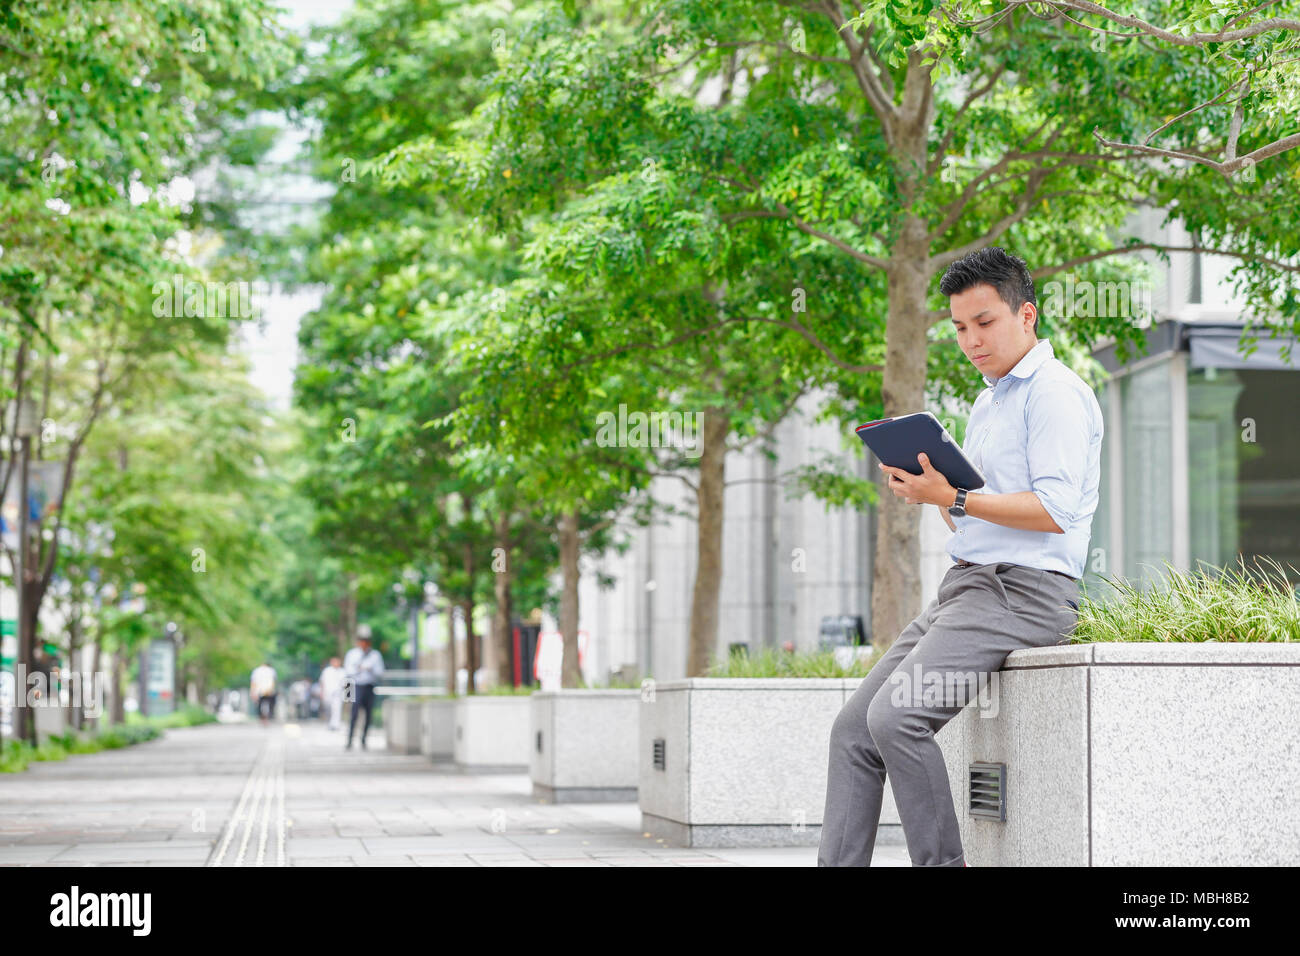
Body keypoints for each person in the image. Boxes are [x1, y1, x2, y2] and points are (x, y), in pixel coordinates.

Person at [818, 247, 1103, 867]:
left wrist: (957, 495)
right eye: (959, 329)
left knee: (897, 720)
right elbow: (970, 510)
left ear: (1026, 315)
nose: (971, 341)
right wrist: (931, 492)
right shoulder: (989, 401)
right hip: (969, 587)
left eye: (985, 323)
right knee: (853, 731)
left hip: (1025, 594)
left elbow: (1055, 510)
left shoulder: (1055, 394)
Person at [343, 626, 384, 750]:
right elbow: (348, 672)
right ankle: (349, 740)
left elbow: (380, 672)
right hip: (354, 685)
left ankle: (364, 740)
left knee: (368, 714)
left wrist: (370, 668)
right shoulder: (352, 654)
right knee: (353, 714)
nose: (363, 643)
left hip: (369, 686)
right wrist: (358, 668)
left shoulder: (375, 655)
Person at [318, 656, 346, 731]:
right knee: (328, 709)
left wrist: (347, 696)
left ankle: (335, 724)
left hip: (338, 693)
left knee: (337, 709)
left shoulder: (343, 672)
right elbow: (322, 682)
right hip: (327, 693)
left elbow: (346, 684)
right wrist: (321, 692)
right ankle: (329, 723)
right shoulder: (327, 671)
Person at [250, 660, 278, 726]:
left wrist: (252, 692)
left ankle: (262, 718)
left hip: (259, 691)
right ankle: (268, 717)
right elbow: (273, 681)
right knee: (271, 704)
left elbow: (253, 682)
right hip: (269, 690)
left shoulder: (256, 671)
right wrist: (271, 689)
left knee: (259, 705)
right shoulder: (271, 670)